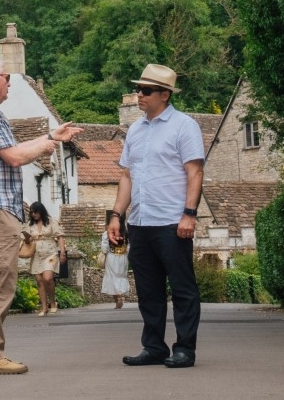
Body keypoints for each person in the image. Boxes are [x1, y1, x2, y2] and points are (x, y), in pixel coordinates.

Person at [0, 58, 82, 375]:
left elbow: (14, 150)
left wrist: (49, 136)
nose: (11, 81)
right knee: (0, 282)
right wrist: (51, 141)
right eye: (7, 76)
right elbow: (14, 157)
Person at [107, 63, 204, 369]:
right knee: (148, 291)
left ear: (165, 94)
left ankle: (185, 349)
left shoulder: (184, 126)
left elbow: (195, 172)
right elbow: (127, 176)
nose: (139, 95)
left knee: (182, 288)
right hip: (140, 223)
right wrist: (116, 216)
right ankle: (154, 347)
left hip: (172, 222)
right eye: (138, 89)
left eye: (146, 91)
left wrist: (189, 214)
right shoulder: (135, 130)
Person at [24, 201, 65, 317]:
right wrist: (27, 238)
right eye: (31, 212)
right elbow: (26, 241)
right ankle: (44, 307)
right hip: (36, 254)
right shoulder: (30, 224)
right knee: (40, 281)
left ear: (41, 211)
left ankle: (52, 302)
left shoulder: (51, 222)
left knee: (48, 278)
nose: (33, 214)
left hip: (50, 253)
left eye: (35, 212)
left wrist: (62, 253)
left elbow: (60, 237)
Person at [101, 218, 130, 309]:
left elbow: (104, 249)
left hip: (112, 256)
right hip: (123, 257)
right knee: (121, 276)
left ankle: (117, 298)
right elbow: (129, 248)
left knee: (111, 276)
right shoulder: (126, 233)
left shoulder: (107, 234)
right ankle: (120, 294)